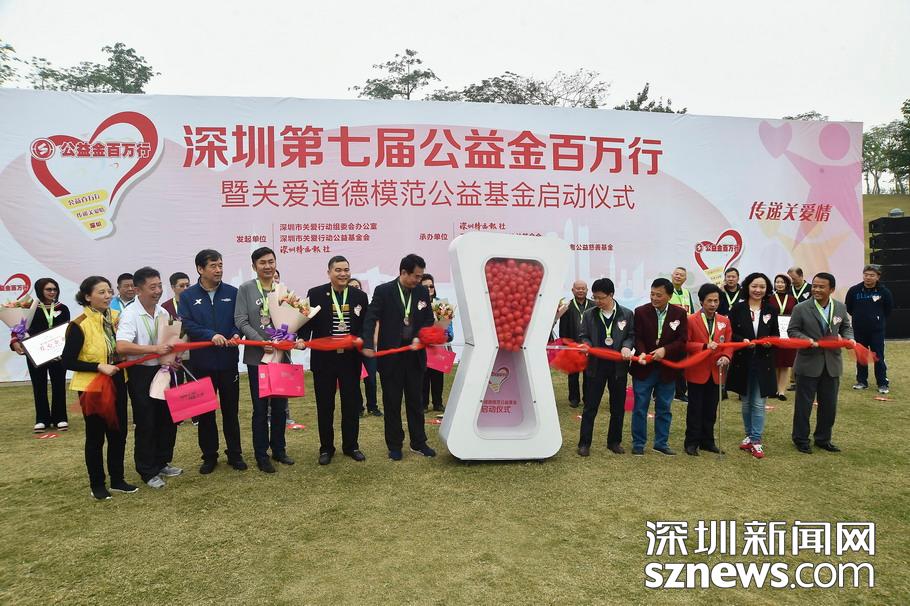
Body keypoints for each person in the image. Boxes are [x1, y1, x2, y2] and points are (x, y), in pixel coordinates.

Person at [61, 276, 137, 500]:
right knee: (96, 436)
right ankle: (97, 484)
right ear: (87, 297)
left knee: (119, 432)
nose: (108, 296)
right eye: (101, 292)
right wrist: (97, 366)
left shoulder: (117, 317)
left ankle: (118, 479)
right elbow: (67, 361)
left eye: (109, 291)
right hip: (92, 386)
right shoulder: (79, 324)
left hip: (118, 380)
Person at [235, 247, 305, 472]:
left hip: (281, 358)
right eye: (262, 262)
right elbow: (241, 320)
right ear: (254, 266)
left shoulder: (283, 290)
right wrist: (259, 341)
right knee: (260, 408)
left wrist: (290, 338)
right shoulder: (246, 289)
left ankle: (279, 450)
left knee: (280, 407)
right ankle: (261, 454)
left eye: (271, 262)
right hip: (258, 358)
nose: (268, 266)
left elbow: (294, 321)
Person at [362, 253, 436, 461]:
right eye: (416, 276)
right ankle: (394, 445)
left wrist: (420, 336)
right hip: (391, 357)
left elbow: (429, 319)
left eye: (421, 276)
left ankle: (418, 442)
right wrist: (368, 344)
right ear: (404, 272)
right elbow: (370, 318)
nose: (419, 280)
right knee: (392, 402)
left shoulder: (421, 291)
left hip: (414, 355)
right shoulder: (384, 291)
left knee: (416, 401)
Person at [179, 249, 247, 474]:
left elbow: (239, 319)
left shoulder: (233, 292)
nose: (218, 270)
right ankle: (209, 456)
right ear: (200, 269)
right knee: (205, 411)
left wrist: (236, 333)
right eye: (213, 266)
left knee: (231, 411)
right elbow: (187, 323)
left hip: (228, 362)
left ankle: (235, 454)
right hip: (202, 363)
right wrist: (211, 335)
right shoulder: (188, 296)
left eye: (220, 265)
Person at [115, 266, 181, 489]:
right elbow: (122, 346)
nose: (158, 291)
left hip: (163, 371)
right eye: (152, 287)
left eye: (160, 286)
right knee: (146, 421)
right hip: (141, 373)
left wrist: (172, 357)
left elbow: (169, 341)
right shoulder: (130, 314)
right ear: (138, 290)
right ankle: (147, 470)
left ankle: (162, 462)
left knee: (167, 419)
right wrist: (154, 349)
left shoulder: (163, 312)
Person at [302, 255, 371, 465]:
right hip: (324, 360)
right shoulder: (315, 294)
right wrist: (301, 339)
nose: (343, 274)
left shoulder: (360, 296)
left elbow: (366, 325)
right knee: (325, 405)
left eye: (346, 270)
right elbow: (306, 322)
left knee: (351, 404)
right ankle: (326, 448)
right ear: (329, 272)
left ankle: (351, 446)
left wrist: (363, 339)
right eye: (338, 270)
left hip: (350, 360)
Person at [788, 272, 854, 454]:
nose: (816, 289)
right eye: (814, 286)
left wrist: (849, 338)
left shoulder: (840, 307)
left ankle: (823, 439)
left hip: (832, 364)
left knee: (829, 405)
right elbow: (792, 331)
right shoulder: (801, 308)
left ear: (831, 289)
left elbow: (846, 327)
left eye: (821, 287)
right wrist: (806, 340)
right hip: (808, 363)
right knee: (804, 405)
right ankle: (801, 439)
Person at [629, 278, 688, 456]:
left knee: (664, 407)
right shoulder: (640, 312)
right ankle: (638, 443)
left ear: (669, 296)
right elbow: (637, 336)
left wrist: (665, 350)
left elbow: (682, 340)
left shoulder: (679, 313)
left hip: (667, 369)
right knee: (640, 406)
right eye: (652, 294)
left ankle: (661, 443)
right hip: (644, 367)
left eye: (659, 295)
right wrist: (642, 353)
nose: (654, 298)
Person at [576, 278, 634, 456]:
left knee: (617, 407)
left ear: (611, 295)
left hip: (618, 367)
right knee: (590, 406)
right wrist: (586, 345)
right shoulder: (589, 314)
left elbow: (631, 335)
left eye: (601, 298)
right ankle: (584, 444)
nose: (598, 301)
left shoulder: (626, 314)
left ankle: (614, 442)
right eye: (595, 297)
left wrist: (627, 346)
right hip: (596, 366)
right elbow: (583, 335)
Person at [726, 272, 779, 459]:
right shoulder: (737, 308)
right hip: (743, 361)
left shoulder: (771, 309)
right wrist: (742, 341)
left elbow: (776, 334)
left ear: (767, 289)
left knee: (758, 402)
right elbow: (730, 333)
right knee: (746, 402)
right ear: (747, 287)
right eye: (754, 286)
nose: (758, 290)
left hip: (763, 362)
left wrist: (770, 342)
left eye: (762, 287)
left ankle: (756, 440)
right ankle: (749, 435)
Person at [10, 278, 70, 433]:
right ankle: (42, 419)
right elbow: (18, 327)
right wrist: (15, 340)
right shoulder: (29, 308)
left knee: (59, 384)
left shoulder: (63, 308)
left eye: (54, 289)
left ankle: (60, 417)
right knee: (38, 385)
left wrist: (65, 350)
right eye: (48, 289)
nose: (52, 292)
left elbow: (66, 330)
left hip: (58, 354)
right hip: (35, 352)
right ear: (39, 290)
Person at [683, 284, 732, 456]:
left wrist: (726, 356)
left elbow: (728, 343)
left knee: (711, 409)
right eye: (709, 300)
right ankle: (691, 442)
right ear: (701, 301)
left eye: (716, 301)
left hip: (717, 371)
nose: (713, 304)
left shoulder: (724, 321)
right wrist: (703, 346)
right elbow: (686, 344)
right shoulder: (691, 320)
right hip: (697, 370)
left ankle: (708, 441)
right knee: (695, 408)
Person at [845, 264, 892, 394]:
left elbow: (888, 309)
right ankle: (861, 381)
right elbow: (849, 307)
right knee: (861, 355)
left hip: (877, 331)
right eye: (866, 275)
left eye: (872, 275)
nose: (868, 278)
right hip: (859, 330)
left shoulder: (884, 292)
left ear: (878, 277)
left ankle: (882, 383)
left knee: (878, 356)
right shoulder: (854, 290)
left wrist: (876, 319)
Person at [420, 273, 454, 412]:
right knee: (423, 376)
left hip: (438, 346)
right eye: (425, 287)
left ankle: (438, 403)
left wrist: (443, 336)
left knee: (437, 376)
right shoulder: (416, 305)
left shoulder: (442, 305)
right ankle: (423, 404)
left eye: (431, 286)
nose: (429, 289)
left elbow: (449, 330)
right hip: (422, 346)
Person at [349, 277, 382, 417]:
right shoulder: (344, 308)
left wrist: (373, 341)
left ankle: (373, 407)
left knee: (371, 379)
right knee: (354, 379)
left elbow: (374, 322)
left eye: (357, 286)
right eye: (352, 287)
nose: (355, 289)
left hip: (367, 347)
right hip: (351, 348)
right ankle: (358, 407)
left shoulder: (366, 305)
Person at [558, 280, 593, 408]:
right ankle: (574, 399)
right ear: (572, 290)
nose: (580, 291)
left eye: (583, 288)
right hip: (572, 345)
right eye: (578, 288)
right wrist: (565, 344)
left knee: (589, 374)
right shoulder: (567, 307)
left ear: (587, 290)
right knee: (573, 374)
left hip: (589, 346)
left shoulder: (594, 306)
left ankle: (588, 398)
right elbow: (563, 328)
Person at [668, 267, 694, 402]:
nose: (678, 276)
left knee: (682, 362)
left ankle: (680, 392)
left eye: (681, 275)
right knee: (665, 362)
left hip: (683, 333)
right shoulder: (666, 291)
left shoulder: (686, 293)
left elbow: (692, 313)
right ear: (672, 275)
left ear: (685, 279)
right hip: (669, 332)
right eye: (676, 274)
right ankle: (658, 392)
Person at [770, 273, 797, 400]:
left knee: (786, 363)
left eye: (782, 282)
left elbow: (796, 315)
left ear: (787, 284)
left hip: (788, 334)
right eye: (777, 282)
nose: (779, 284)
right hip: (774, 333)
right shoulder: (769, 298)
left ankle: (781, 391)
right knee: (775, 361)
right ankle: (774, 389)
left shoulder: (792, 299)